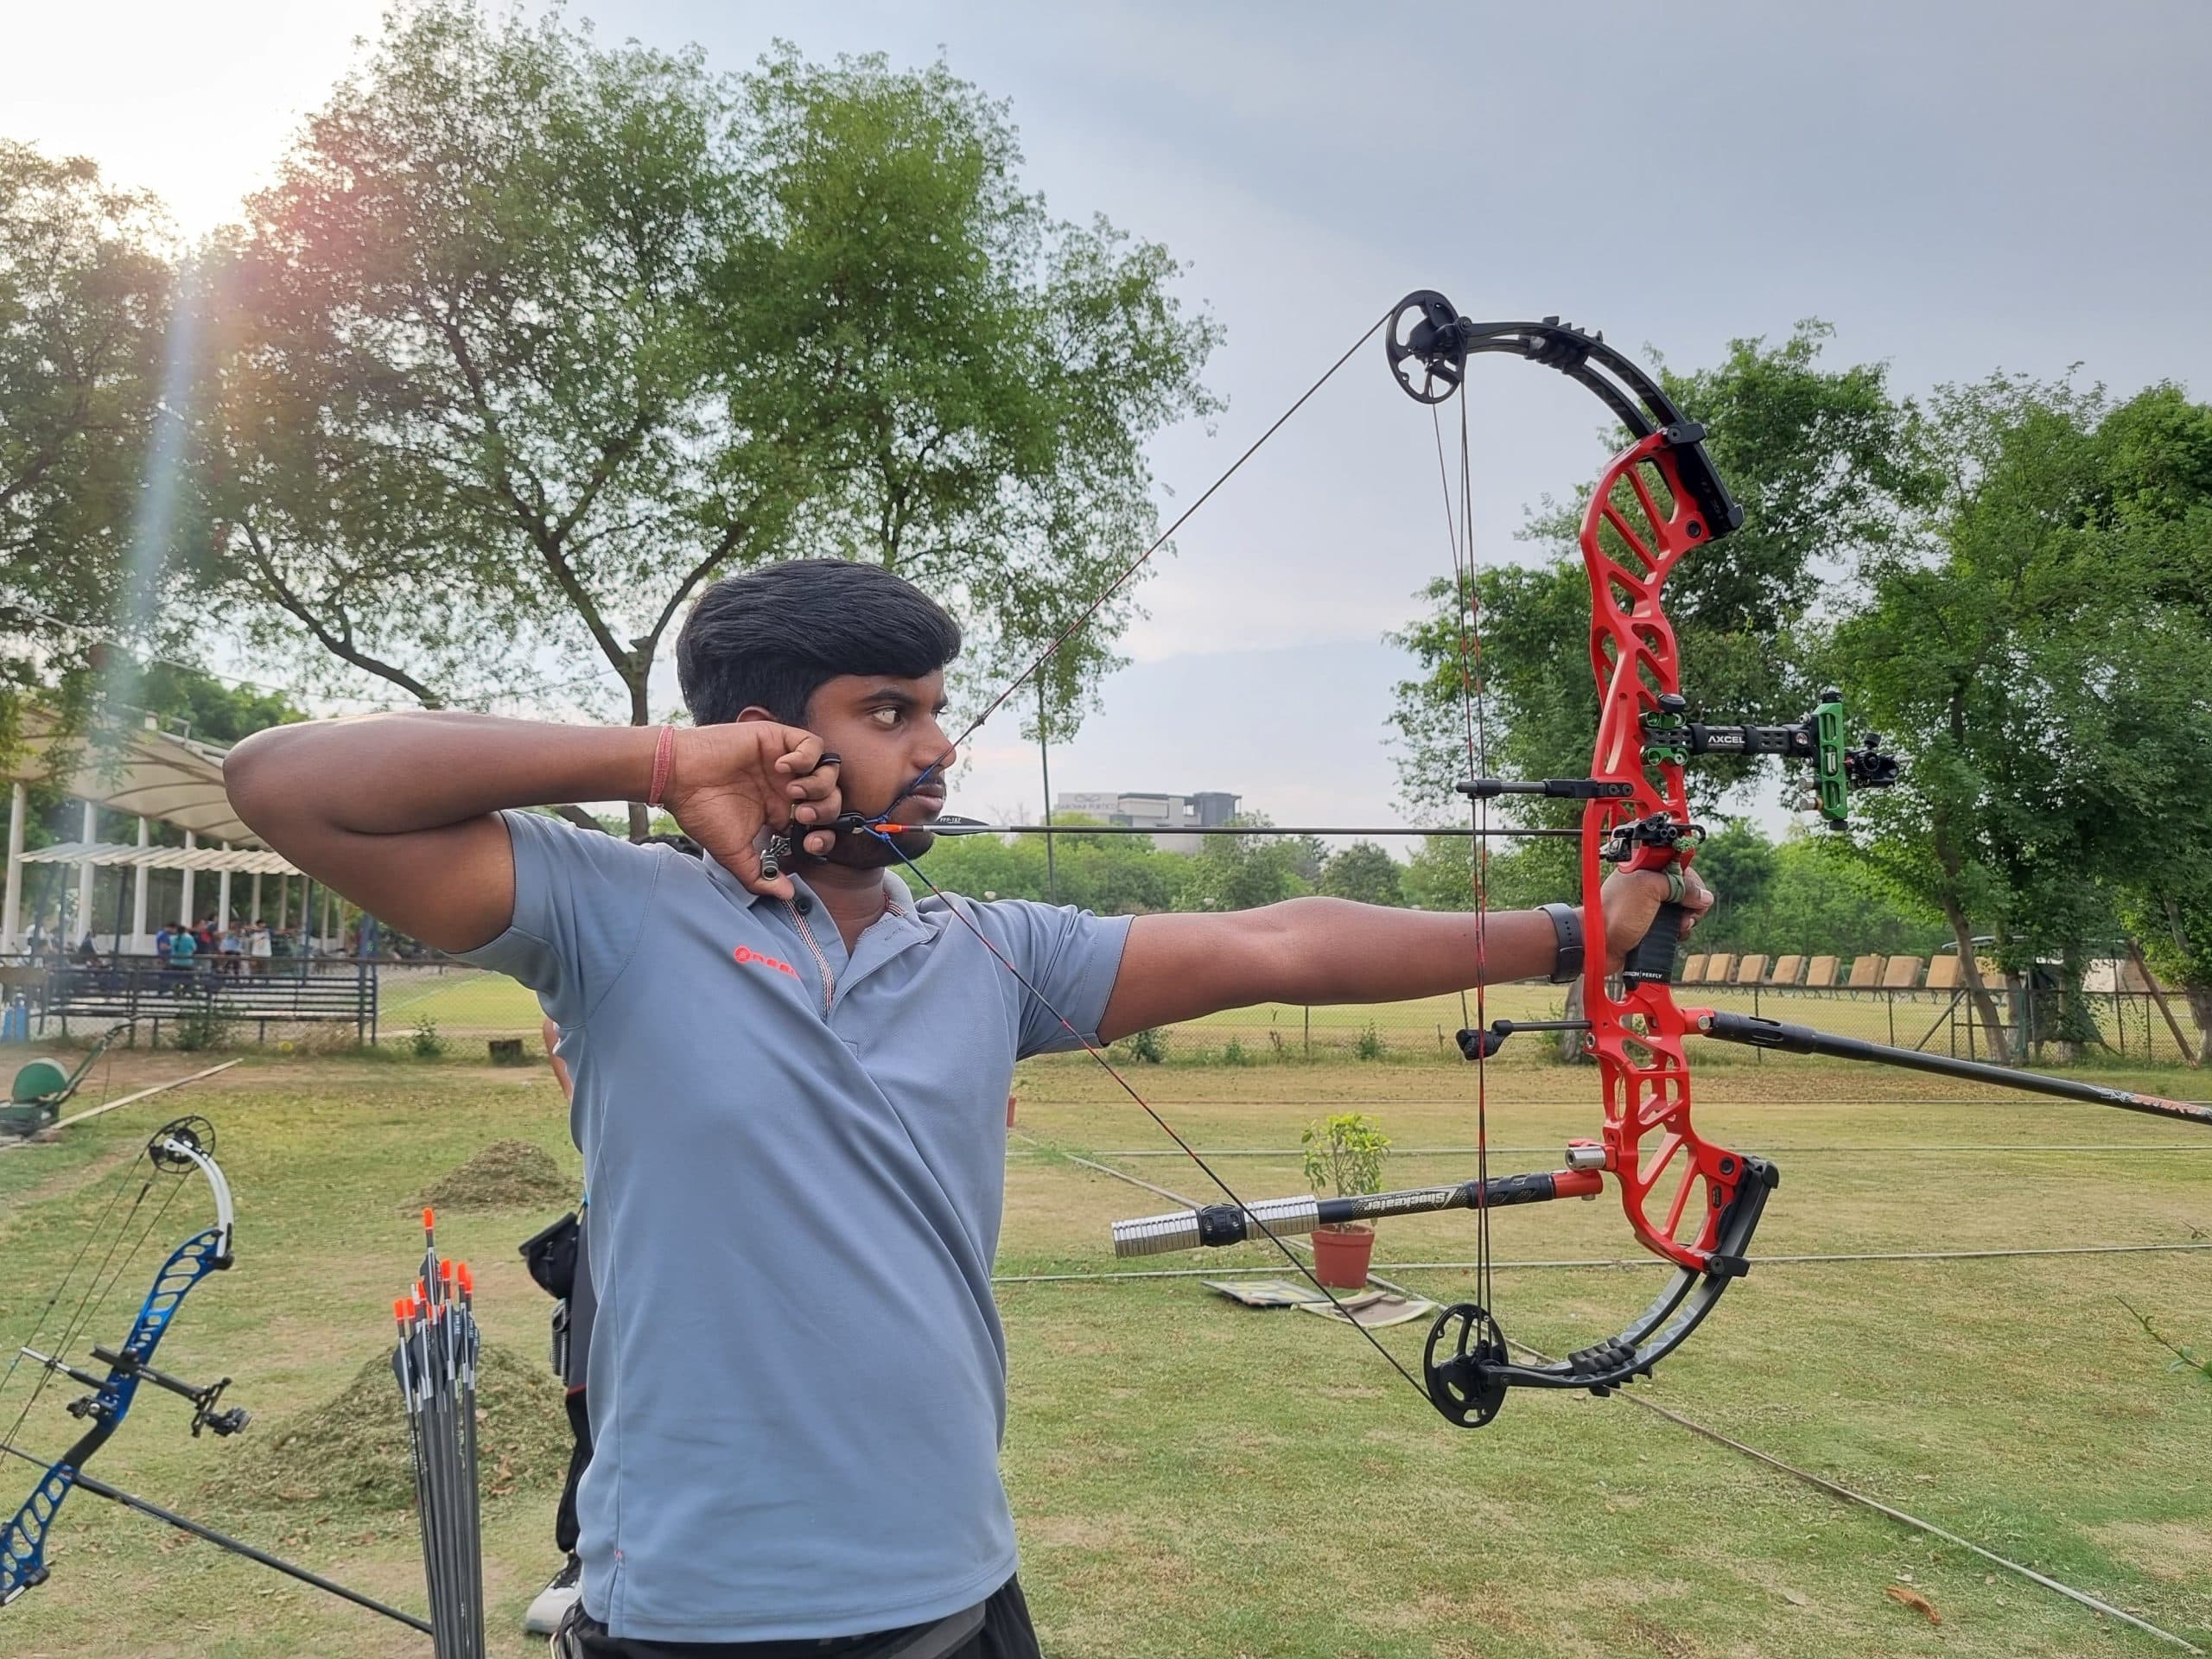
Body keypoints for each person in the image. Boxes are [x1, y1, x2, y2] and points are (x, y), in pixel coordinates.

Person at [225, 560, 1708, 1657]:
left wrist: (1582, 928)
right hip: (706, 1605)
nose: (938, 746)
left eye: (937, 710)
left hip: (955, 1578)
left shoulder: (991, 951)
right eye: (890, 711)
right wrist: (662, 767)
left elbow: (1275, 942)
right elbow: (285, 781)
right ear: (768, 736)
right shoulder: (612, 916)